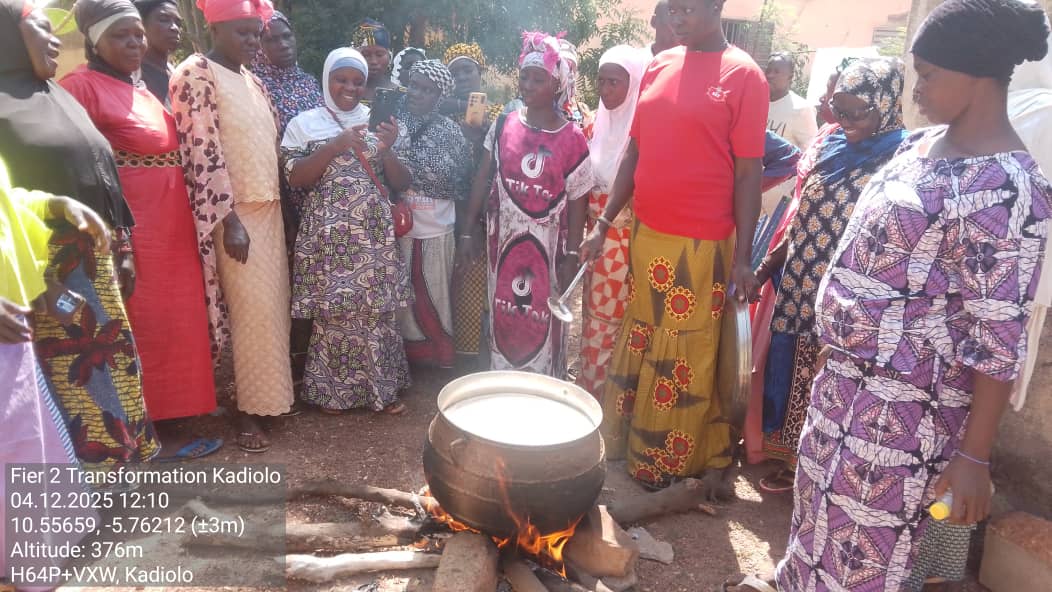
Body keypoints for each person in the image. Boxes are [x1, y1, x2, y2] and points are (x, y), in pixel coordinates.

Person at [729, 1, 1052, 590]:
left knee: (867, 555)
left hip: (906, 414)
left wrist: (974, 457)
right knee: (813, 526)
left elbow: (997, 335)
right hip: (843, 389)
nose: (917, 87)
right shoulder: (917, 147)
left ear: (978, 75)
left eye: (929, 74)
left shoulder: (1008, 187)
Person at [580, 0, 769, 488]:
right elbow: (636, 152)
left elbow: (749, 172)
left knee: (684, 351)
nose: (677, 19)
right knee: (642, 331)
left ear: (716, 8)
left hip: (700, 243)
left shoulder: (744, 76)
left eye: (688, 9)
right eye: (673, 10)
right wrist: (604, 222)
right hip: (647, 234)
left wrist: (744, 257)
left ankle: (665, 460)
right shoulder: (661, 64)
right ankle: (626, 442)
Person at [0, 0, 158, 469]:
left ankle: (122, 465)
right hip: (38, 271)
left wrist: (123, 245)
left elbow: (102, 174)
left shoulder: (55, 96)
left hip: (92, 262)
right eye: (41, 31)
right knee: (71, 378)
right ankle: (87, 481)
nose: (54, 41)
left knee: (111, 364)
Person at [61, 0, 221, 462]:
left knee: (175, 322)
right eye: (121, 35)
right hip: (134, 224)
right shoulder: (82, 87)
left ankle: (173, 415)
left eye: (137, 35)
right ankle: (147, 430)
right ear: (95, 41)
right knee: (143, 323)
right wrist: (116, 236)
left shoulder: (140, 86)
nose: (135, 43)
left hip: (171, 220)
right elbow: (82, 167)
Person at [754, 58, 909, 494]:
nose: (844, 121)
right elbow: (803, 215)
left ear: (885, 105)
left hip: (850, 294)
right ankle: (789, 460)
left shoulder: (902, 157)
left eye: (856, 112)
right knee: (791, 368)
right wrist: (768, 266)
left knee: (832, 377)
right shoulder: (830, 143)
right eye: (838, 110)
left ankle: (823, 471)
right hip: (799, 279)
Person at [170, 0, 294, 453]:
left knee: (269, 312)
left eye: (255, 33)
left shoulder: (253, 80)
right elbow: (202, 151)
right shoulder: (195, 73)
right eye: (242, 33)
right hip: (235, 217)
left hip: (269, 211)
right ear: (215, 28)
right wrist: (228, 219)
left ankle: (269, 402)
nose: (252, 42)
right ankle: (245, 413)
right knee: (248, 314)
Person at [282, 48, 412, 415]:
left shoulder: (377, 120)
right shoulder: (303, 123)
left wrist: (386, 149)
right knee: (334, 312)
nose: (350, 87)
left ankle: (382, 391)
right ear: (326, 79)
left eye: (358, 81)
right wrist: (336, 145)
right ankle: (332, 393)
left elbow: (402, 181)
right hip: (328, 234)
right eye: (342, 79)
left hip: (372, 233)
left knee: (374, 312)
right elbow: (295, 177)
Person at [457, 31, 593, 377]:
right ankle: (501, 386)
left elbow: (578, 200)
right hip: (502, 241)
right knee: (502, 312)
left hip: (548, 248)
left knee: (542, 319)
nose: (528, 85)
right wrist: (468, 231)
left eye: (538, 79)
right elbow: (482, 177)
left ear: (557, 85)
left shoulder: (573, 139)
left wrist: (573, 255)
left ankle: (541, 392)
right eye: (524, 77)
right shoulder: (504, 124)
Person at [0, 156, 106, 579]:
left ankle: (27, 563)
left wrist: (54, 204)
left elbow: (8, 201)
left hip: (11, 331)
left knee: (24, 445)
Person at [578, 44, 649, 398]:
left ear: (634, 84)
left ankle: (610, 404)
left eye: (615, 82)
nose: (605, 90)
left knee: (613, 324)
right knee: (591, 320)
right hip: (596, 237)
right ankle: (589, 392)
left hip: (625, 244)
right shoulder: (594, 125)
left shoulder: (645, 133)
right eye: (601, 81)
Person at [393, 60, 472, 369]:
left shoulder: (451, 132)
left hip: (437, 227)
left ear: (439, 95)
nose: (417, 93)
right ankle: (407, 356)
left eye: (427, 90)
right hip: (399, 226)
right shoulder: (392, 122)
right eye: (414, 85)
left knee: (434, 291)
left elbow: (462, 185)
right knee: (403, 292)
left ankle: (438, 355)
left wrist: (466, 232)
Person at [253, 10, 322, 137]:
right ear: (258, 46)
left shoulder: (309, 82)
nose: (283, 45)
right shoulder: (255, 88)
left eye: (287, 36)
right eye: (272, 40)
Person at [765, 52, 818, 150]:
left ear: (790, 77)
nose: (770, 75)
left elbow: (810, 151)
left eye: (776, 72)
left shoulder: (802, 109)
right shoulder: (758, 102)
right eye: (768, 71)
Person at [133, 0, 181, 108]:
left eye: (178, 23)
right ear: (141, 25)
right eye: (164, 20)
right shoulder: (134, 78)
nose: (175, 28)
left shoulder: (178, 74)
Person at [351, 18, 395, 104]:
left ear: (389, 56)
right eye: (366, 55)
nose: (373, 61)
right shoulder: (345, 94)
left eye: (379, 55)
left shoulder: (403, 96)